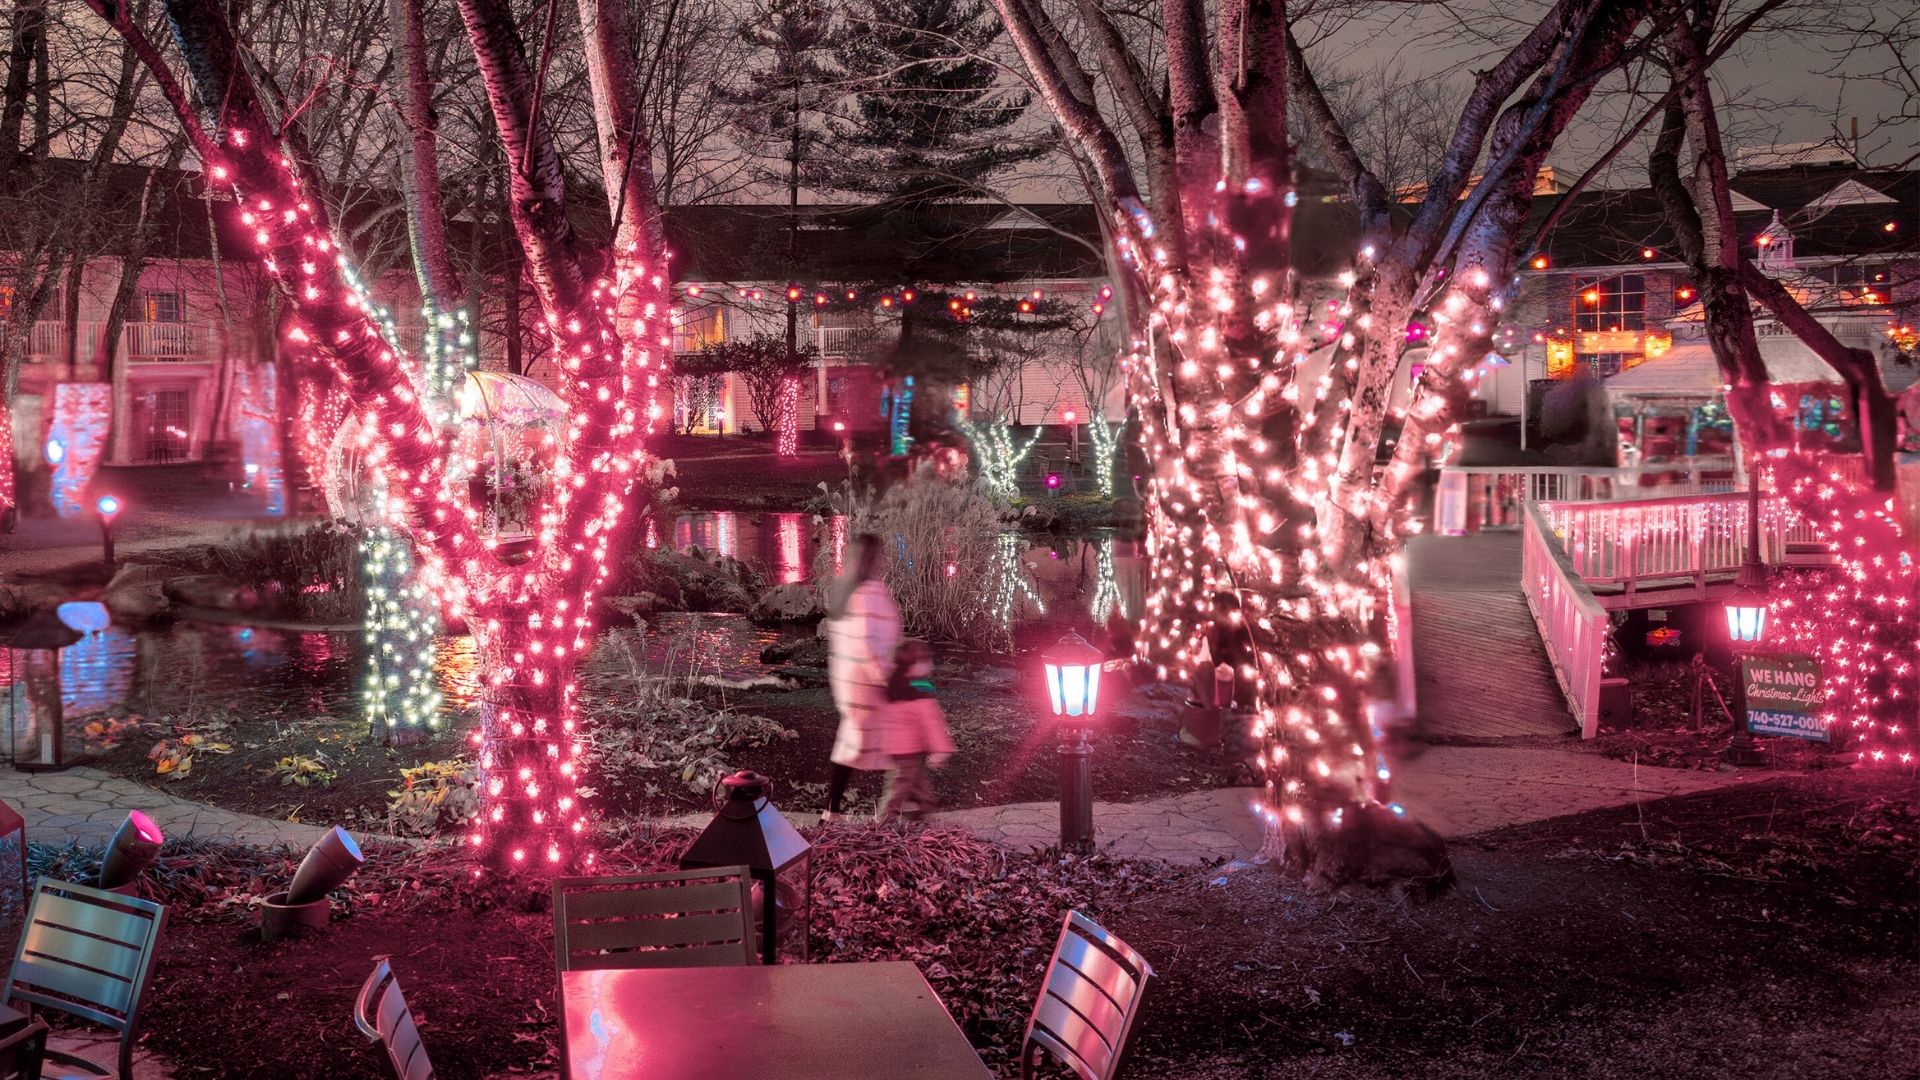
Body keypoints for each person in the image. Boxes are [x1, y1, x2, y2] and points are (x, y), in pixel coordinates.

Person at [822, 533, 898, 822]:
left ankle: (832, 810)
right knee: (902, 743)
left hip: (852, 685)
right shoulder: (868, 595)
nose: (885, 559)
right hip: (870, 685)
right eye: (881, 554)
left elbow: (847, 642)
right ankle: (891, 811)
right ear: (872, 559)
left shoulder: (847, 591)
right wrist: (886, 678)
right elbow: (869, 642)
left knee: (849, 747)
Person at [877, 639, 955, 825]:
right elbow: (931, 723)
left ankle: (924, 807)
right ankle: (883, 821)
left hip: (897, 747)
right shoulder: (920, 691)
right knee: (898, 786)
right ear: (915, 666)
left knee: (915, 779)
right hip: (907, 749)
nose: (931, 665)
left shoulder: (894, 684)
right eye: (927, 661)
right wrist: (941, 749)